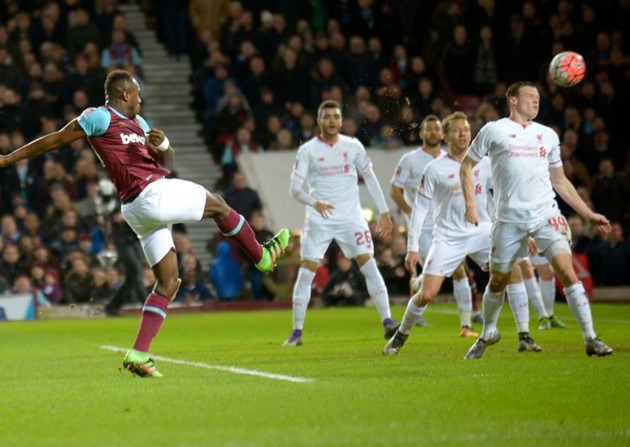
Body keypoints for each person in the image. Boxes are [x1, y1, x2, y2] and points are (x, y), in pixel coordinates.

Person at [0, 70, 290, 377]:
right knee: (217, 203)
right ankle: (261, 256)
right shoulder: (100, 117)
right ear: (124, 94)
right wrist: (7, 159)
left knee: (169, 282)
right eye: (137, 93)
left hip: (140, 206)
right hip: (147, 196)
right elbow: (55, 140)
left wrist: (164, 146)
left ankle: (139, 353)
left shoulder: (140, 125)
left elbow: (166, 166)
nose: (141, 99)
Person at [460, 81, 613, 359]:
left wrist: (588, 214)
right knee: (498, 281)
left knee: (566, 271)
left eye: (538, 97)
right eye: (530, 97)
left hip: (545, 215)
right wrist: (471, 203)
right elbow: (467, 165)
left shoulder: (548, 135)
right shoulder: (494, 130)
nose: (536, 101)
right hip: (507, 220)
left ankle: (590, 338)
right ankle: (487, 334)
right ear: (513, 101)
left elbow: (560, 181)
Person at [384, 112, 543, 355]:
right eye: (457, 130)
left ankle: (524, 335)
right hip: (448, 237)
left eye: (466, 130)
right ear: (446, 136)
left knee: (513, 271)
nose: (463, 134)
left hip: (483, 231)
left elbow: (503, 199)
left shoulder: (486, 163)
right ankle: (401, 334)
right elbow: (419, 209)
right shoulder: (435, 168)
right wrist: (412, 247)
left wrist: (522, 231)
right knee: (426, 294)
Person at [283, 99, 398, 347]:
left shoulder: (353, 146)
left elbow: (370, 177)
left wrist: (384, 211)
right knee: (306, 273)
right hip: (319, 220)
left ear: (341, 120)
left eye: (336, 116)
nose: (333, 120)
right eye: (328, 116)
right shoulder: (308, 150)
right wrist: (314, 203)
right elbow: (295, 189)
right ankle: (296, 332)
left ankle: (388, 322)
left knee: (369, 266)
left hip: (351, 218)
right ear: (319, 120)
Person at [390, 114, 475, 328]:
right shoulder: (410, 160)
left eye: (437, 129)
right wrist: (410, 211)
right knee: (453, 269)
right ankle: (459, 318)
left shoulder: (452, 159)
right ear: (421, 134)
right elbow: (395, 190)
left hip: (446, 225)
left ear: (443, 134)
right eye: (429, 129)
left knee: (457, 268)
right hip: (423, 228)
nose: (434, 133)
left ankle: (467, 321)